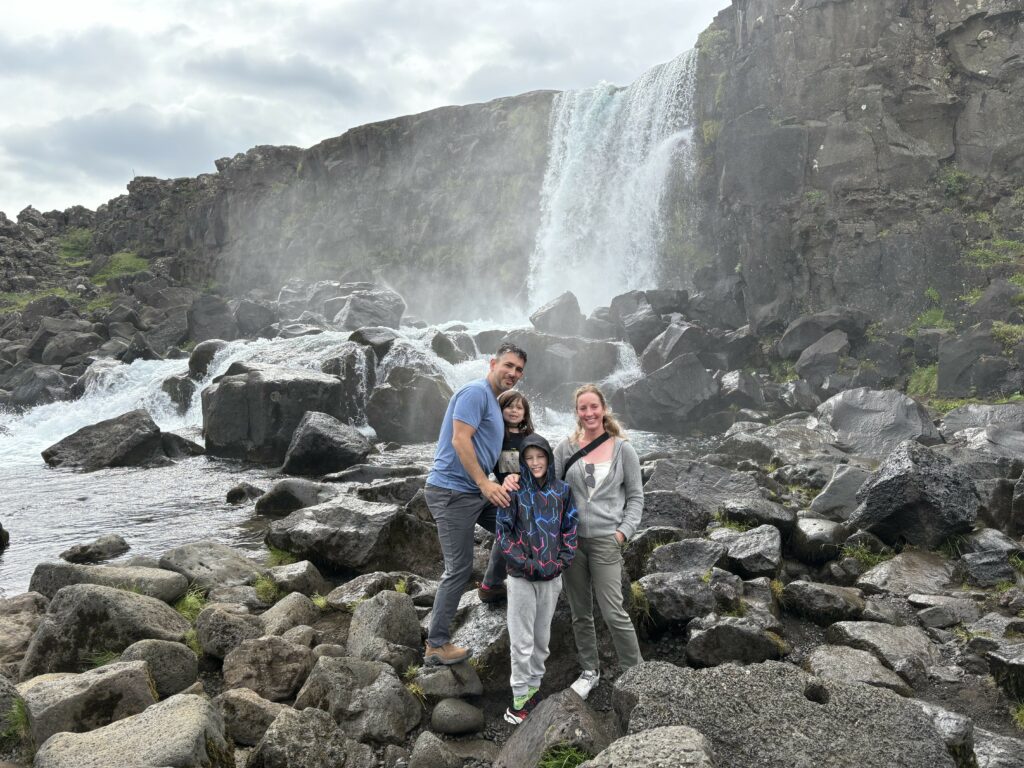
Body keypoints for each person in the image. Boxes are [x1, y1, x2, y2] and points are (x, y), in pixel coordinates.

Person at [423, 342, 527, 666]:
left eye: (519, 370)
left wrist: (511, 479)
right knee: (458, 569)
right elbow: (459, 439)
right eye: (508, 365)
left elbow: (499, 454)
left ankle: (491, 586)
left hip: (476, 493)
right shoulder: (475, 393)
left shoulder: (497, 407)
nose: (512, 373)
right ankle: (436, 645)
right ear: (493, 362)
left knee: (516, 525)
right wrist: (484, 482)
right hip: (452, 493)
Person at [554, 384, 644, 699]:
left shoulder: (623, 450)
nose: (589, 413)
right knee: (580, 612)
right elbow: (549, 489)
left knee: (613, 611)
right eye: (583, 408)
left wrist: (623, 533)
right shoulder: (565, 448)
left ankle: (636, 673)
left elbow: (635, 498)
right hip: (572, 542)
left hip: (607, 541)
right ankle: (589, 672)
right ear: (577, 413)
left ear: (603, 409)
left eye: (594, 407)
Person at [496, 434, 577, 724]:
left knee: (542, 639)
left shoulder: (563, 490)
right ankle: (518, 701)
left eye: (539, 456)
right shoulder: (514, 491)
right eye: (529, 458)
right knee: (521, 640)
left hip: (552, 576)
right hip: (521, 577)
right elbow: (503, 534)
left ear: (548, 457)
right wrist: (526, 564)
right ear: (522, 462)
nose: (535, 462)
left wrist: (562, 562)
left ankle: (533, 689)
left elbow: (570, 527)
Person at [478, 390, 536, 603]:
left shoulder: (531, 437)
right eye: (509, 406)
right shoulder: (497, 437)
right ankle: (490, 584)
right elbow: (509, 473)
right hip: (510, 493)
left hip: (530, 492)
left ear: (525, 413)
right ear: (499, 409)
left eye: (519, 407)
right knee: (510, 528)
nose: (514, 411)